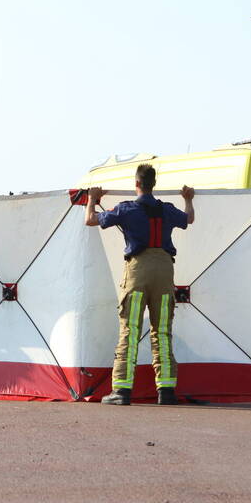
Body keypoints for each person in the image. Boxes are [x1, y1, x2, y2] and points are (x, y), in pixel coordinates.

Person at [85, 163, 195, 405]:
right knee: (163, 332)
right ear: (154, 185)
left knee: (130, 330)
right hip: (165, 272)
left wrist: (92, 198)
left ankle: (122, 391)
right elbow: (189, 218)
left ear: (136, 184)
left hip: (138, 271)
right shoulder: (167, 209)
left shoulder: (126, 210)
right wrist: (188, 198)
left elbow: (91, 220)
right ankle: (166, 390)